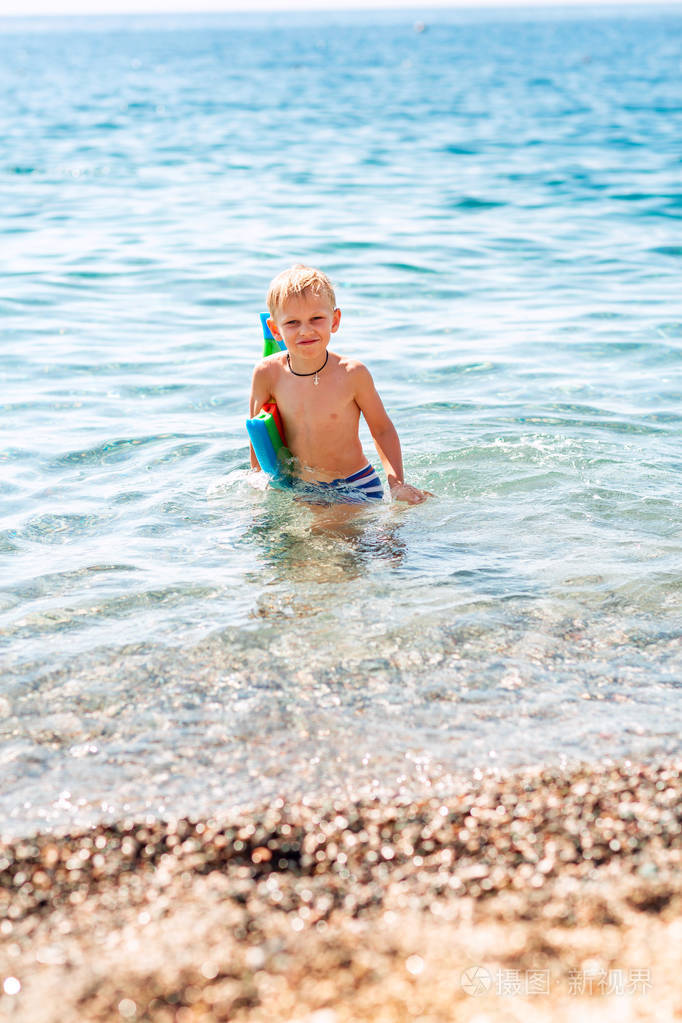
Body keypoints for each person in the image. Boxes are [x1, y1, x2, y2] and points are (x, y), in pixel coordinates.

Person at [249, 264, 431, 505]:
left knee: (326, 529)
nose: (305, 330)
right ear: (275, 329)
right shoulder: (267, 374)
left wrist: (397, 484)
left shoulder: (352, 373)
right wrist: (258, 481)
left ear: (334, 321)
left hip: (355, 486)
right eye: (292, 322)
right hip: (301, 487)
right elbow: (258, 432)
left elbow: (382, 430)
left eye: (316, 319)